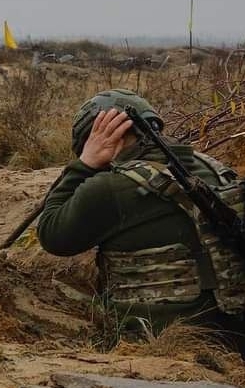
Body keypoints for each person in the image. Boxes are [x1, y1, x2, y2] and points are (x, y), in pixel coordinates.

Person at [37, 89, 245, 355]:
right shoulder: (216, 169)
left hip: (164, 347)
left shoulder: (109, 189)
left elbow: (52, 234)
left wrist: (85, 164)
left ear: (99, 137)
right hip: (236, 338)